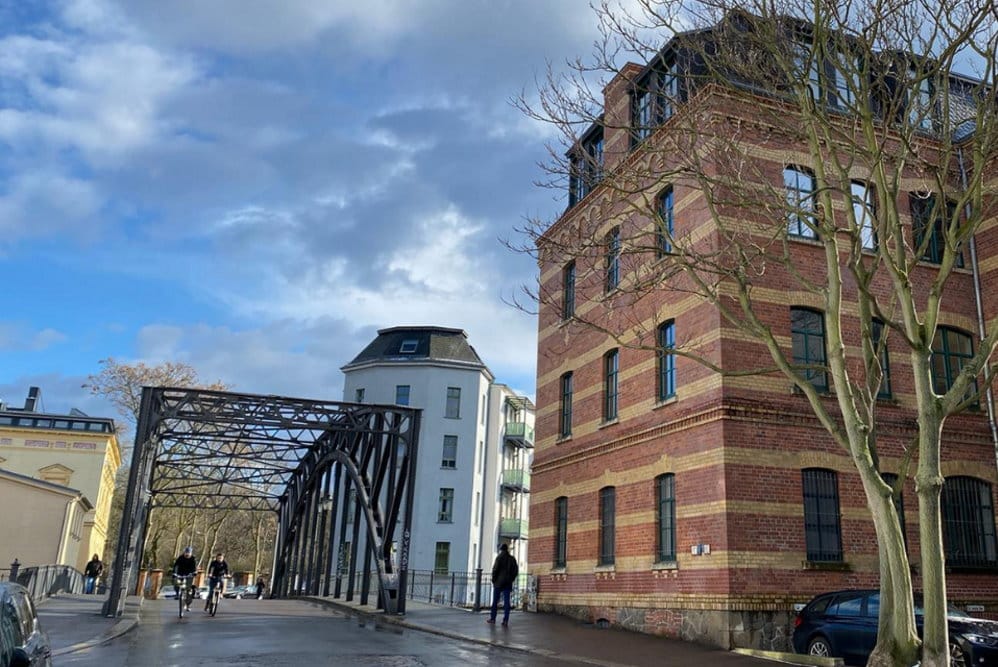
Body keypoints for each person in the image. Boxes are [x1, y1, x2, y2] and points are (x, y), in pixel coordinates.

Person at [486, 543, 519, 627]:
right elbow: (515, 571)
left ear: (501, 549)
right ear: (507, 549)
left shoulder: (499, 558)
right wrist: (511, 579)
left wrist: (494, 580)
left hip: (498, 583)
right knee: (507, 602)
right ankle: (505, 620)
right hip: (508, 583)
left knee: (495, 601)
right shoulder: (512, 559)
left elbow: (495, 570)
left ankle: (493, 618)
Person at [172, 547, 198, 611]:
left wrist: (194, 572)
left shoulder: (193, 559)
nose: (187, 554)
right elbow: (176, 566)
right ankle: (177, 593)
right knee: (176, 582)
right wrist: (174, 573)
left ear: (191, 553)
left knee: (189, 590)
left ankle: (188, 605)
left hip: (189, 575)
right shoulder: (180, 558)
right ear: (184, 552)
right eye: (186, 553)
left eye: (188, 553)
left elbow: (194, 567)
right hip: (180, 573)